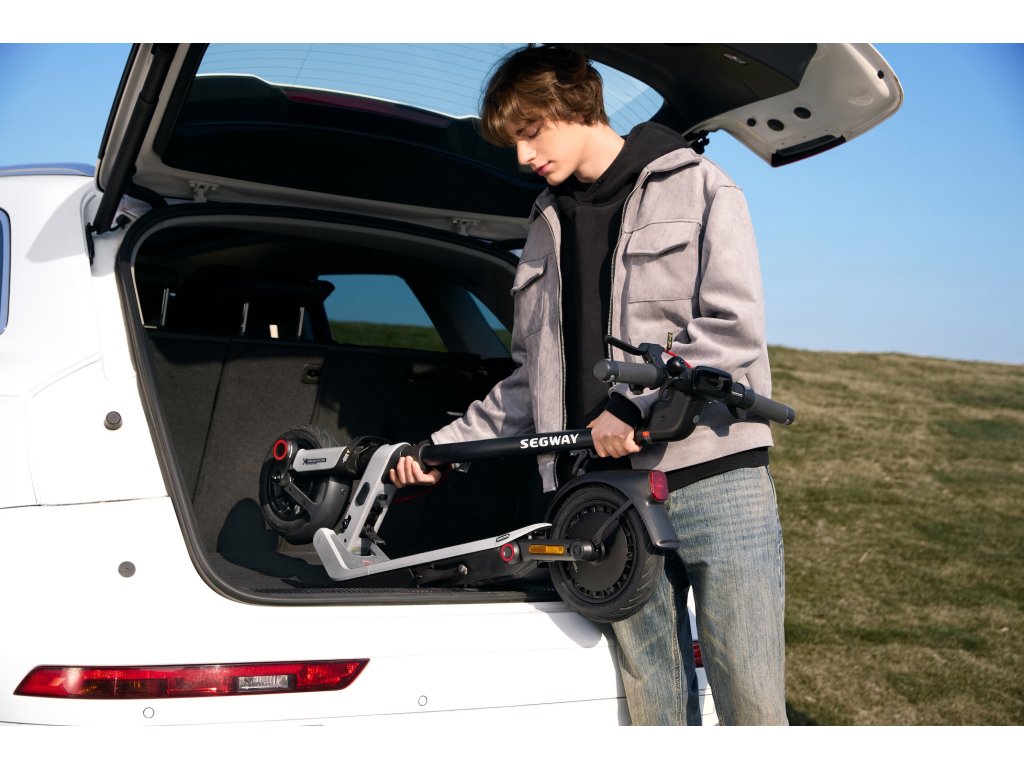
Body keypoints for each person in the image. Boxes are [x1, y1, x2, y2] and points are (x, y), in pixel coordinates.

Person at [390, 44, 787, 726]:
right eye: (514, 142)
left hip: (715, 479)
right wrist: (442, 449)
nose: (522, 157)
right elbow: (529, 382)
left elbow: (732, 330)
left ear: (575, 106)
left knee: (750, 703)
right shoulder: (543, 225)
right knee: (653, 704)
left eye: (531, 133)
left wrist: (629, 407)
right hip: (604, 502)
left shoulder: (699, 186)